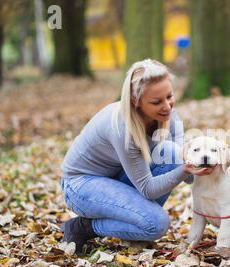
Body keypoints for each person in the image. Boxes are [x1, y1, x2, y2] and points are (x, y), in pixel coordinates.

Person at [60, 59, 210, 256]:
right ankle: (82, 227)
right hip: (80, 185)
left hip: (116, 177)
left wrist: (210, 168)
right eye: (157, 102)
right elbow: (149, 188)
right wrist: (184, 170)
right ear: (135, 101)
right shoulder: (123, 129)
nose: (167, 106)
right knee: (155, 225)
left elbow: (184, 163)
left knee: (173, 152)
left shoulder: (168, 114)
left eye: (170, 96)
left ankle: (135, 222)